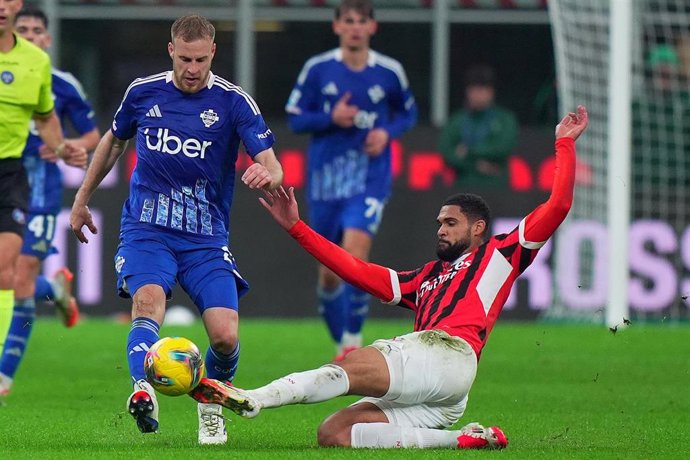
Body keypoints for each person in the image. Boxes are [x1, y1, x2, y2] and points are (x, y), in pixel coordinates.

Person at [192, 106, 589, 449]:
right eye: (439, 223)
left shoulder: (500, 254)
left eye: (451, 223)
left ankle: (254, 397)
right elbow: (356, 269)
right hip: (448, 393)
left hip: (448, 352)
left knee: (353, 364)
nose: (441, 230)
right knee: (335, 433)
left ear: (479, 227)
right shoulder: (426, 279)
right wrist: (297, 228)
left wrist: (564, 144)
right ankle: (467, 440)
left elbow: (558, 204)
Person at [69, 15, 283, 445]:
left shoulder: (234, 102)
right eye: (184, 58)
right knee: (147, 303)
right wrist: (81, 199)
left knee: (224, 337)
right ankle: (144, 390)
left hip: (205, 239)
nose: (192, 68)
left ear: (213, 54)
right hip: (147, 229)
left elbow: (273, 165)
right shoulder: (143, 92)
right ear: (171, 51)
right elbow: (113, 141)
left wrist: (267, 173)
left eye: (200, 60)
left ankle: (210, 409)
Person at [285, 0, 418, 360]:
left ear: (372, 27)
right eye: (349, 21)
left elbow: (408, 113)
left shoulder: (389, 72)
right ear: (337, 27)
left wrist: (386, 133)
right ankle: (340, 341)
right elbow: (295, 118)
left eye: (362, 21)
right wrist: (331, 116)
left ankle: (353, 342)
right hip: (327, 182)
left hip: (369, 179)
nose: (356, 27)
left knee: (355, 256)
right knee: (330, 275)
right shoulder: (318, 69)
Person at [0, 6, 101, 398]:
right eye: (22, 28)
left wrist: (67, 147)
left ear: (47, 38)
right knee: (8, 277)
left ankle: (5, 375)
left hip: (38, 190)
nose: (28, 34)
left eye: (35, 29)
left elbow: (91, 134)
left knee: (18, 277)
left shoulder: (58, 81)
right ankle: (54, 291)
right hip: (13, 175)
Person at [438, 64, 518, 189]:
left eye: (481, 90)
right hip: (463, 188)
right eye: (473, 90)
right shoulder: (457, 120)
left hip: (497, 190)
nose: (477, 95)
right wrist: (477, 164)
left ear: (491, 92)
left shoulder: (505, 119)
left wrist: (467, 152)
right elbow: (446, 153)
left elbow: (502, 149)